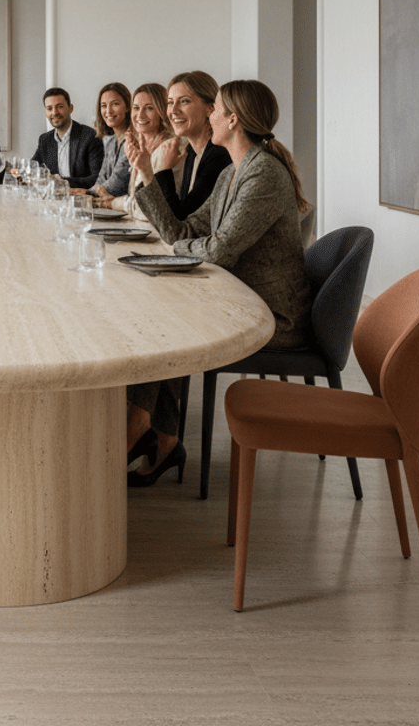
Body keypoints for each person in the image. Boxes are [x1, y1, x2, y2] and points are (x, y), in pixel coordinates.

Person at [123, 78, 313, 485]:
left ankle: (138, 431)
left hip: (271, 317)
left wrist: (177, 250)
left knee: (164, 324)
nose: (208, 115)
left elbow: (220, 250)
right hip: (241, 297)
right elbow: (182, 230)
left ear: (233, 119)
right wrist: (146, 175)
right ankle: (159, 437)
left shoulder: (263, 175)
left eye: (214, 109)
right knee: (160, 320)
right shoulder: (234, 173)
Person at [149, 70, 231, 220]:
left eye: (184, 101)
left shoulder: (219, 156)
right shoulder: (191, 152)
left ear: (210, 109)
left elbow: (179, 219)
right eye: (170, 103)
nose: (173, 111)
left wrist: (163, 171)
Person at [110, 83, 173, 217]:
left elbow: (148, 209)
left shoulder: (168, 148)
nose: (140, 115)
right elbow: (136, 198)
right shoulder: (139, 145)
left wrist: (112, 203)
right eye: (136, 108)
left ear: (162, 111)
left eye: (149, 108)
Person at [31, 87, 103, 190]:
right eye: (49, 108)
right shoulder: (45, 140)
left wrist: (60, 182)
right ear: (46, 112)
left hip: (82, 200)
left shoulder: (90, 136)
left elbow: (96, 179)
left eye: (60, 106)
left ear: (71, 108)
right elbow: (33, 168)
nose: (54, 112)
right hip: (53, 200)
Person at [88, 82, 132, 205]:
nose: (108, 111)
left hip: (126, 210)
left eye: (115, 104)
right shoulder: (110, 141)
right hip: (109, 205)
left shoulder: (133, 139)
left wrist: (84, 195)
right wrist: (91, 192)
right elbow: (102, 178)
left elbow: (116, 185)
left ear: (128, 106)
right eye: (103, 105)